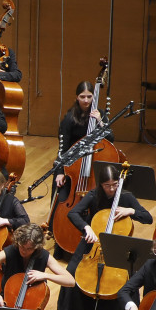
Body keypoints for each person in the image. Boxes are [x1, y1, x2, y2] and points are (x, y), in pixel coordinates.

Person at [57, 163, 154, 310]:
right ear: (101, 184)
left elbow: (148, 217)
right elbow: (73, 213)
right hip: (93, 243)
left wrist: (131, 211)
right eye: (107, 185)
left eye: (115, 185)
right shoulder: (94, 194)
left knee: (129, 278)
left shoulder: (126, 196)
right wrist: (86, 227)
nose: (111, 189)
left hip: (117, 245)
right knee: (72, 271)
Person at [52, 81, 114, 219]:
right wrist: (61, 172)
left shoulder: (100, 114)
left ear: (94, 97)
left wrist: (100, 121)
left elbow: (110, 139)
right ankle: (55, 226)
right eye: (82, 97)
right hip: (72, 164)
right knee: (62, 191)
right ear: (76, 98)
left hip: (92, 163)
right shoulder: (69, 119)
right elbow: (63, 149)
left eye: (89, 96)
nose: (86, 100)